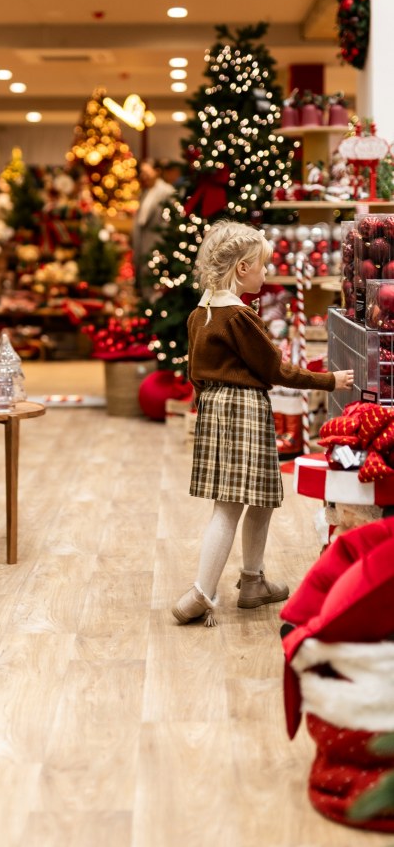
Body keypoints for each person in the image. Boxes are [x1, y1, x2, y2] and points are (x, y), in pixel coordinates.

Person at [172, 220, 354, 627]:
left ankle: (253, 582)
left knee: (260, 496)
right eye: (261, 265)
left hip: (215, 407)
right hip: (244, 408)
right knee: (230, 505)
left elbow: (194, 372)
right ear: (241, 269)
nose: (266, 273)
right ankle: (200, 592)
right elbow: (275, 369)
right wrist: (329, 380)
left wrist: (209, 404)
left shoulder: (199, 313)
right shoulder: (239, 317)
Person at [131, 160, 175, 297]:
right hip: (143, 245)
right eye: (142, 173)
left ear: (157, 171)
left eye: (146, 172)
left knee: (155, 286)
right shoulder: (145, 193)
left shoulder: (167, 192)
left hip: (157, 245)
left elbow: (169, 221)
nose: (143, 176)